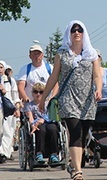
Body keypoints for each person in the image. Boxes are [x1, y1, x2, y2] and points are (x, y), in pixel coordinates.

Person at [39, 20, 102, 180]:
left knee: (84, 135)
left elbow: (97, 75)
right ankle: (78, 171)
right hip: (68, 98)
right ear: (69, 33)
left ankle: (73, 164)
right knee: (75, 132)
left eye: (79, 30)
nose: (76, 33)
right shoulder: (61, 53)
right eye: (73, 30)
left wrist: (99, 89)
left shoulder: (91, 53)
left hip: (87, 100)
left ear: (84, 33)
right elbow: (54, 77)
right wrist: (43, 98)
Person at [25, 82, 60, 165]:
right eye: (36, 92)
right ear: (32, 93)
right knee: (41, 129)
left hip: (49, 121)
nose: (38, 94)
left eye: (41, 92)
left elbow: (52, 116)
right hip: (37, 124)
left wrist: (42, 120)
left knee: (53, 129)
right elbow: (30, 117)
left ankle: (54, 154)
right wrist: (33, 125)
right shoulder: (29, 105)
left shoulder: (49, 103)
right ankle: (39, 153)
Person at [0, 61, 21, 163]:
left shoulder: (11, 81)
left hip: (9, 109)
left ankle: (4, 153)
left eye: (1, 67)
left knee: (8, 132)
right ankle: (0, 152)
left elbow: (15, 97)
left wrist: (17, 109)